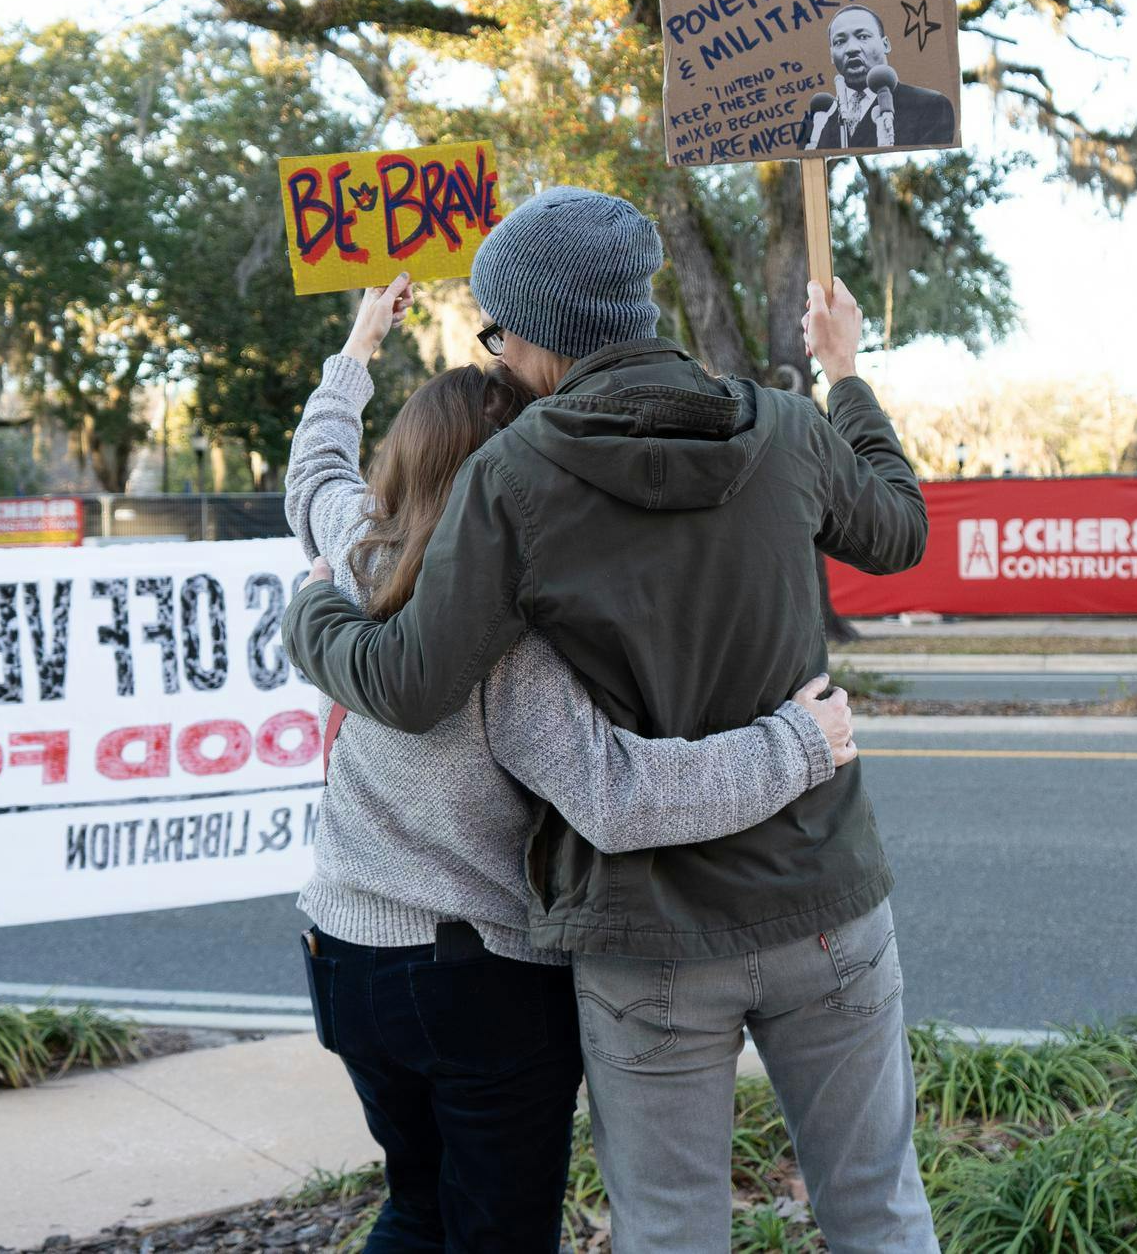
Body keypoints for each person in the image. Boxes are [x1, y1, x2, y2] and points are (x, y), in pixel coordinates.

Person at [283, 187, 938, 1253]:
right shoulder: (782, 428)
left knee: (669, 1228)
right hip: (824, 891)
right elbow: (897, 530)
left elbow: (407, 681)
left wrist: (313, 602)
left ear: (537, 334)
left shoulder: (512, 474)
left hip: (648, 936)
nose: (497, 359)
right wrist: (845, 378)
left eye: (497, 336)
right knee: (877, 1207)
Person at [802, 4, 956, 150]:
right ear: (831, 54)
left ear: (886, 44)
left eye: (863, 36)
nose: (852, 48)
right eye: (840, 41)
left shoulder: (929, 105)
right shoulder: (816, 124)